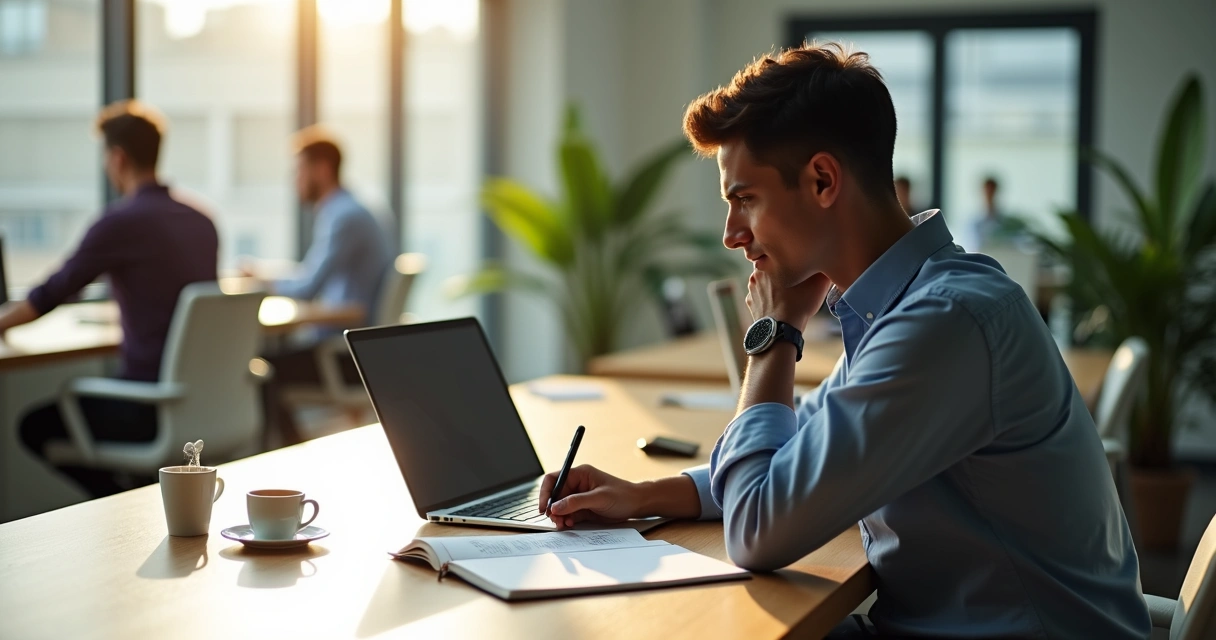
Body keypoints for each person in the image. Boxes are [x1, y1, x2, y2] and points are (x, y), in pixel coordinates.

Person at [536, 44, 1149, 639]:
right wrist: (640, 496)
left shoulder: (944, 322)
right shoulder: (906, 302)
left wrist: (774, 335)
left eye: (744, 199)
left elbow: (758, 530)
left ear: (823, 180)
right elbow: (800, 450)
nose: (730, 234)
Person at [5, 100, 219, 497]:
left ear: (117, 157)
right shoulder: (202, 220)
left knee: (32, 427)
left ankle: (122, 500)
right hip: (201, 403)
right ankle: (138, 496)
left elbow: (50, 293)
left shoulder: (119, 222)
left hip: (145, 408)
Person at [253, 127, 392, 445]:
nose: (295, 180)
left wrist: (260, 282)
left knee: (261, 369)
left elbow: (307, 287)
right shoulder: (353, 209)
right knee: (271, 360)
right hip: (357, 350)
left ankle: (284, 461)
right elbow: (313, 273)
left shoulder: (343, 216)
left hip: (346, 358)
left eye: (299, 170)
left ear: (322, 169)